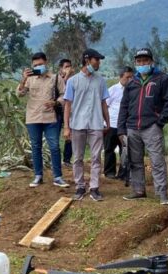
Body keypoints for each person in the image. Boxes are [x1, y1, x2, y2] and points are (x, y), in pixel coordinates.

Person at [118, 48, 168, 205]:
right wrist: (121, 129)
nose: (142, 64)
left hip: (151, 127)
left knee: (157, 160)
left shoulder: (162, 79)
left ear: (151, 61)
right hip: (132, 127)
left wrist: (160, 121)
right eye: (139, 61)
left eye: (145, 61)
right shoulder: (132, 82)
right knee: (135, 161)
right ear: (135, 63)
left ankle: (162, 194)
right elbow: (124, 106)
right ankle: (138, 190)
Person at [63, 49, 111, 201]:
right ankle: (80, 186)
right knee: (77, 158)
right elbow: (67, 105)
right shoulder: (73, 81)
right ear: (87, 60)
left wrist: (107, 121)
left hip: (96, 123)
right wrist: (66, 127)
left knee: (96, 157)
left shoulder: (101, 81)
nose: (99, 63)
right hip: (77, 124)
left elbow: (104, 103)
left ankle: (94, 187)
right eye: (96, 60)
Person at [17, 52, 69, 188]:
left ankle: (57, 177)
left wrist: (55, 102)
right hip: (33, 117)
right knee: (35, 147)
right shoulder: (29, 79)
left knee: (54, 146)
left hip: (50, 117)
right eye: (35, 65)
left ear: (46, 62)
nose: (38, 67)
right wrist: (23, 79)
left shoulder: (55, 78)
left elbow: (64, 95)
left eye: (40, 64)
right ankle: (38, 176)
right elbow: (19, 94)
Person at [105, 67, 134, 180]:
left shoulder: (134, 90)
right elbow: (105, 106)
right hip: (112, 124)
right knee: (109, 149)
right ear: (121, 77)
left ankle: (123, 173)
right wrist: (105, 123)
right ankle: (109, 172)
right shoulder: (113, 89)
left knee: (125, 150)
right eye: (127, 77)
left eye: (132, 77)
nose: (130, 79)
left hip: (126, 125)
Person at [55, 59, 75, 169]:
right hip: (57, 111)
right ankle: (56, 160)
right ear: (61, 68)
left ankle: (67, 160)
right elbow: (60, 92)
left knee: (69, 136)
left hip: (69, 111)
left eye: (70, 66)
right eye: (66, 66)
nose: (68, 68)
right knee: (55, 136)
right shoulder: (56, 79)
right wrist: (66, 77)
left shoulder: (74, 79)